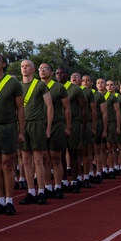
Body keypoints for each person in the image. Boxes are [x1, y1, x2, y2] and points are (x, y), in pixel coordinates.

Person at [0, 54, 24, 216]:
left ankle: (9, 201)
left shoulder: (12, 82)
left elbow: (20, 108)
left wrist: (21, 130)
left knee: (8, 165)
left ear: (4, 64)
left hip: (8, 127)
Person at [18, 60, 54, 206]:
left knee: (38, 160)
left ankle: (41, 191)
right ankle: (30, 191)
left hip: (37, 124)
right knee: (25, 159)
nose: (24, 68)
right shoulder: (18, 86)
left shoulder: (40, 85)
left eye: (27, 66)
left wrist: (48, 127)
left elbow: (50, 106)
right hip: (22, 125)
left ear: (33, 69)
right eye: (22, 66)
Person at [39, 63, 69, 198]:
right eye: (40, 69)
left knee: (56, 158)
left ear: (51, 73)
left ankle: (58, 186)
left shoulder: (59, 88)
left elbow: (67, 108)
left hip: (56, 125)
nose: (42, 71)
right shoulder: (36, 86)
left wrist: (67, 126)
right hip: (40, 124)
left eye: (45, 69)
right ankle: (47, 186)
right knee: (44, 158)